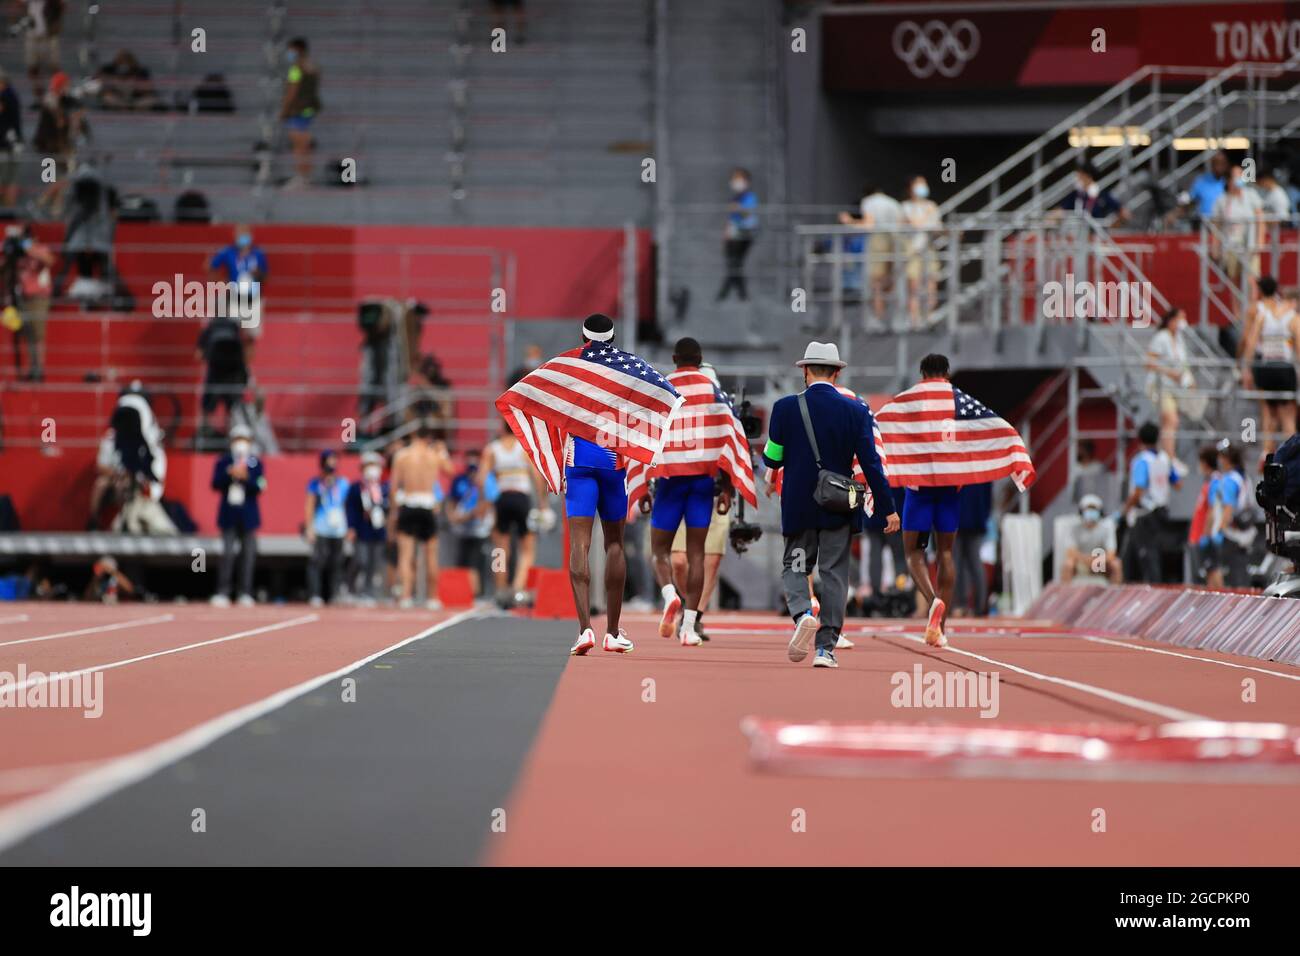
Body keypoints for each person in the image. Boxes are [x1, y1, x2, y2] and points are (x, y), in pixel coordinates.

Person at [762, 341, 899, 668]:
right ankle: (826, 649)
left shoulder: (784, 408)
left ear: (805, 371)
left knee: (795, 566)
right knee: (835, 573)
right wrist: (888, 508)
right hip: (839, 504)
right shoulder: (856, 410)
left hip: (798, 505)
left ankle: (802, 615)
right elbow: (871, 464)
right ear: (837, 373)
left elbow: (772, 458)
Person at [640, 338, 735, 647]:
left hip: (670, 480)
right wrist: (730, 487)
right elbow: (729, 436)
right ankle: (690, 627)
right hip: (701, 481)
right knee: (697, 556)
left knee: (660, 552)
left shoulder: (662, 388)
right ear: (700, 359)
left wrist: (642, 484)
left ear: (674, 358)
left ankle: (669, 594)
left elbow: (645, 437)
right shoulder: (712, 391)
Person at [481, 419, 550, 607]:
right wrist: (543, 503)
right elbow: (537, 477)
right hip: (521, 499)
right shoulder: (523, 448)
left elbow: (481, 479)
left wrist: (485, 504)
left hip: (502, 499)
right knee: (527, 548)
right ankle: (518, 589)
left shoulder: (492, 449)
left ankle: (500, 589)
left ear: (501, 429)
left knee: (500, 548)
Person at [389, 422, 453, 609]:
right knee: (431, 554)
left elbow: (393, 488)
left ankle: (406, 596)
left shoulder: (402, 456)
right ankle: (432, 598)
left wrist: (394, 513)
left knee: (405, 555)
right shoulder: (434, 455)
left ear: (414, 435)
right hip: (427, 505)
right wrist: (443, 451)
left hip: (408, 504)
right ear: (429, 438)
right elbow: (450, 471)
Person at [1239, 275, 1299, 462]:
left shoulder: (1262, 314)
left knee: (1268, 412)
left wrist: (1247, 369)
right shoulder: (1293, 318)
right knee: (1288, 414)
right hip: (1284, 367)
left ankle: (1266, 453)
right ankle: (1291, 456)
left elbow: (1250, 343)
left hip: (1265, 366)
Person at [1120, 422, 1182, 583]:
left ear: (1140, 439)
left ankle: (1150, 588)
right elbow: (1178, 484)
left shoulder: (1141, 461)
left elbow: (1139, 490)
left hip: (1144, 514)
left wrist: (1125, 509)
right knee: (1148, 552)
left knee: (1145, 555)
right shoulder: (1164, 459)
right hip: (1161, 511)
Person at [210, 424, 265, 607]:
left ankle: (245, 592)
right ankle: (223, 591)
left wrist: (246, 477)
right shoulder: (224, 462)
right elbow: (215, 484)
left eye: (244, 440)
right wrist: (229, 474)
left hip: (248, 516)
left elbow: (260, 486)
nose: (241, 443)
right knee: (227, 554)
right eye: (237, 439)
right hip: (229, 514)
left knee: (248, 555)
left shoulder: (255, 463)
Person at [840, 182, 902, 323]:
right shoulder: (893, 203)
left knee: (876, 284)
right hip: (895, 242)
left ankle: (878, 319)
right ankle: (893, 318)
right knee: (891, 282)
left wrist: (849, 221)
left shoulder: (868, 202)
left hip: (878, 242)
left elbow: (869, 225)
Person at [208, 225, 267, 366]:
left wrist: (257, 273)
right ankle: (232, 368)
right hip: (234, 297)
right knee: (232, 335)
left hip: (252, 297)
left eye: (245, 233)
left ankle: (247, 372)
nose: (243, 237)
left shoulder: (258, 254)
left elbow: (265, 276)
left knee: (250, 338)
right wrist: (223, 282)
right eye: (240, 234)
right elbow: (210, 267)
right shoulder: (228, 252)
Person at [3, 223, 53, 381]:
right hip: (21, 297)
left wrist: (28, 247)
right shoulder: (17, 254)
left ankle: (39, 370)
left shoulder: (39, 249)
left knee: (38, 335)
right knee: (27, 335)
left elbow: (49, 260)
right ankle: (32, 369)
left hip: (38, 297)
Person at [1145, 306, 1193, 460]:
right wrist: (1169, 372)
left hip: (1175, 388)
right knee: (1172, 420)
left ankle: (1166, 456)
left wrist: (1189, 379)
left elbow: (1183, 364)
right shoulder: (1161, 337)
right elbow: (1149, 362)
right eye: (1180, 318)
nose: (1183, 322)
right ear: (1172, 320)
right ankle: (1170, 457)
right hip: (1160, 386)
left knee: (1168, 423)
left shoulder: (1179, 338)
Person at [448, 449, 496, 597]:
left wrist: (468, 516)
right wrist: (454, 518)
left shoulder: (487, 480)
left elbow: (486, 505)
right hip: (463, 529)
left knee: (479, 562)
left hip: (480, 529)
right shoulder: (460, 480)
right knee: (462, 561)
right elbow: (452, 501)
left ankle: (477, 593)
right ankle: (463, 592)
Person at [305, 449, 350, 607]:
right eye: (329, 460)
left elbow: (346, 505)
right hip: (321, 527)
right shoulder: (316, 483)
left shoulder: (342, 483)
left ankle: (334, 593)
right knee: (318, 561)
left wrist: (349, 527)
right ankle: (315, 593)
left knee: (337, 563)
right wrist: (309, 527)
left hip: (338, 529)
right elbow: (309, 505)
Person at [345, 450, 389, 605]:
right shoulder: (357, 488)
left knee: (374, 562)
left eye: (375, 465)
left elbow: (388, 508)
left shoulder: (383, 488)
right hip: (361, 530)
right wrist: (351, 527)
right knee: (361, 560)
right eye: (369, 465)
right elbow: (350, 508)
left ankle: (368, 591)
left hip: (378, 531)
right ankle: (349, 588)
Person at [195, 312, 248, 438]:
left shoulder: (211, 326)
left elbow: (198, 354)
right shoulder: (234, 327)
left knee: (207, 409)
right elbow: (243, 355)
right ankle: (233, 435)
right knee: (233, 409)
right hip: (233, 376)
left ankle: (204, 437)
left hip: (214, 375)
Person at [279, 37, 321, 188]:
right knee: (305, 145)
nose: (289, 53)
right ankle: (306, 177)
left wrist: (284, 110)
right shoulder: (313, 67)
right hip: (309, 109)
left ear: (298, 50)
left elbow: (292, 91)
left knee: (299, 146)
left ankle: (301, 177)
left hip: (297, 110)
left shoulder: (296, 69)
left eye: (291, 50)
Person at [1211, 165, 1264, 285]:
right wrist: (1215, 247)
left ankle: (1252, 304)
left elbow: (1260, 219)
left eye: (1241, 175)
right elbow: (1216, 226)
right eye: (1236, 175)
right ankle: (1236, 305)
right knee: (1234, 282)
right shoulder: (1222, 200)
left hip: (1250, 246)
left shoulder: (1251, 195)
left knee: (1252, 281)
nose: (1239, 178)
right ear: (1229, 179)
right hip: (1230, 245)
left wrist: (1260, 241)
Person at [900, 174, 941, 325]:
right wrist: (927, 215)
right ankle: (914, 319)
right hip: (912, 250)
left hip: (928, 248)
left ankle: (929, 315)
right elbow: (915, 224)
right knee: (914, 285)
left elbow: (937, 227)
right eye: (918, 185)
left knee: (932, 282)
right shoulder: (906, 206)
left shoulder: (931, 205)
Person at [1211, 443, 1253, 588]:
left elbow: (1228, 507)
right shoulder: (1244, 477)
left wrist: (1220, 529)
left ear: (1226, 459)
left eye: (1220, 456)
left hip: (1231, 534)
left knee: (1233, 577)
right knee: (1241, 571)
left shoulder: (1229, 479)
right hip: (1244, 532)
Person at [1060, 494, 1121, 585]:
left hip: (1100, 563)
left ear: (1100, 512)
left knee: (1116, 564)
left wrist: (1096, 561)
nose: (1091, 512)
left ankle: (1115, 594)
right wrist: (1086, 560)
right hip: (1080, 563)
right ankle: (1065, 595)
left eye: (1094, 509)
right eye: (1088, 509)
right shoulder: (1074, 527)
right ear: (1081, 511)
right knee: (1068, 564)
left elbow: (1111, 553)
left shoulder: (1107, 526)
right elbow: (1070, 552)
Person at [717, 168, 757, 301]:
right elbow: (732, 218)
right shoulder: (736, 197)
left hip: (744, 235)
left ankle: (725, 294)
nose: (736, 182)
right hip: (733, 235)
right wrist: (727, 231)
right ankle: (740, 294)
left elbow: (749, 215)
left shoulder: (749, 197)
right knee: (733, 264)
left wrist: (738, 208)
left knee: (735, 264)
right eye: (735, 179)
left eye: (739, 179)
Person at [953, 482, 991, 614]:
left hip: (955, 517)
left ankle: (957, 605)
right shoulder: (982, 463)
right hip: (977, 517)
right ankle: (979, 606)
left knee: (954, 562)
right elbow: (988, 494)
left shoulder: (955, 463)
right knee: (975, 563)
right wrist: (984, 515)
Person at [1189, 445, 1221, 586]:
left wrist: (1206, 535)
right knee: (1207, 571)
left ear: (1205, 463)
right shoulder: (1209, 482)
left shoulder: (1215, 482)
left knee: (1212, 569)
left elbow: (1213, 509)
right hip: (1199, 535)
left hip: (1205, 536)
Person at [22, 1, 63, 99]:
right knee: (33, 66)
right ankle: (38, 97)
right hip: (32, 34)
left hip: (49, 35)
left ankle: (55, 95)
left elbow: (62, 5)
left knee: (53, 66)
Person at [1057, 163, 1125, 222]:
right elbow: (1061, 210)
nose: (1077, 179)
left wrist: (1111, 225)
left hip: (1096, 234)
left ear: (1087, 176)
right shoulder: (1076, 194)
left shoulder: (1102, 194)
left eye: (1080, 176)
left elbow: (1123, 212)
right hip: (1079, 233)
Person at [0, 69, 23, 210]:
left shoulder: (5, 96)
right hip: (13, 142)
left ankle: (6, 209)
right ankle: (8, 208)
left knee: (5, 179)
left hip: (6, 144)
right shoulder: (13, 94)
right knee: (10, 179)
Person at [1187, 150, 1229, 220]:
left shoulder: (1229, 182)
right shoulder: (1201, 181)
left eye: (1222, 163)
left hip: (1224, 222)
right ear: (1212, 165)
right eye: (1216, 163)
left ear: (1226, 165)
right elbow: (1191, 201)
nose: (1219, 166)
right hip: (1204, 222)